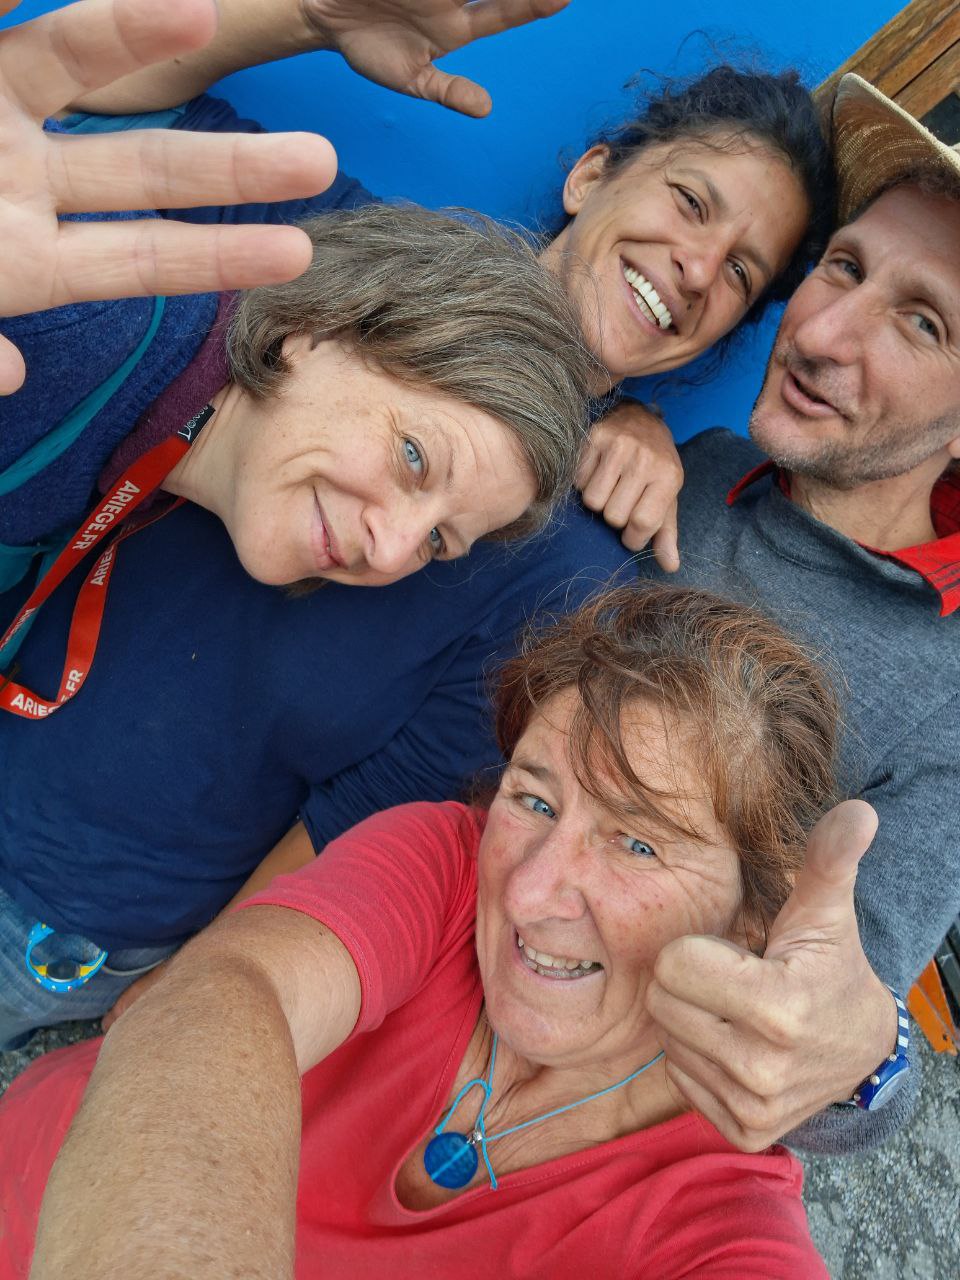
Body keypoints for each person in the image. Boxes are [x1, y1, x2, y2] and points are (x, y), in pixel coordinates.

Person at [0, 35, 833, 1049]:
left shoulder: (578, 567)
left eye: (741, 272)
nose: (699, 267)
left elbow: (364, 813)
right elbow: (109, 121)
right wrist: (303, 13)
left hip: (69, 920)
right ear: (591, 175)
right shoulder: (350, 255)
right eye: (692, 202)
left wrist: (193, 1000)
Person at [0, 584, 849, 1279]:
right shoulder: (446, 864)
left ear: (755, 919)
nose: (528, 891)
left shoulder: (714, 1215)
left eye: (637, 844)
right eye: (534, 800)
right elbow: (230, 994)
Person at [626, 75, 960, 1158]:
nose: (821, 334)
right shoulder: (702, 463)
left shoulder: (950, 686)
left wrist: (867, 1059)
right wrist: (621, 421)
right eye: (845, 267)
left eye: (923, 322)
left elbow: (857, 1030)